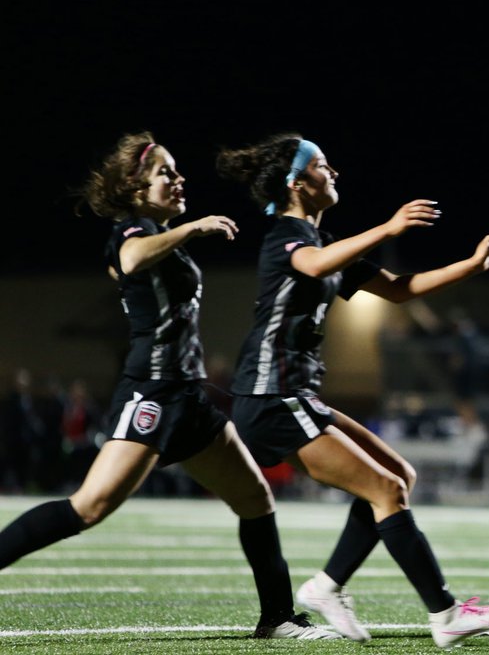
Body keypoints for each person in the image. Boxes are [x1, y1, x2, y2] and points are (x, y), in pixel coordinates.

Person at [0, 133, 332, 639]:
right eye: (166, 174)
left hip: (187, 395)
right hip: (152, 392)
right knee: (88, 507)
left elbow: (123, 270)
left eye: (177, 172)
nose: (178, 180)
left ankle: (278, 619)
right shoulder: (134, 227)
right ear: (136, 187)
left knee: (256, 500)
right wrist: (193, 228)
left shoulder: (151, 231)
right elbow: (129, 259)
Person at [215, 133, 489, 647]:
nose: (333, 172)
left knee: (399, 475)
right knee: (385, 490)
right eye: (322, 165)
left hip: (296, 395)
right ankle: (445, 613)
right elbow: (310, 266)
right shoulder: (285, 235)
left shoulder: (325, 246)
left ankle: (327, 587)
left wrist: (472, 264)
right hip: (270, 396)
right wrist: (389, 226)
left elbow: (399, 290)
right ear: (296, 182)